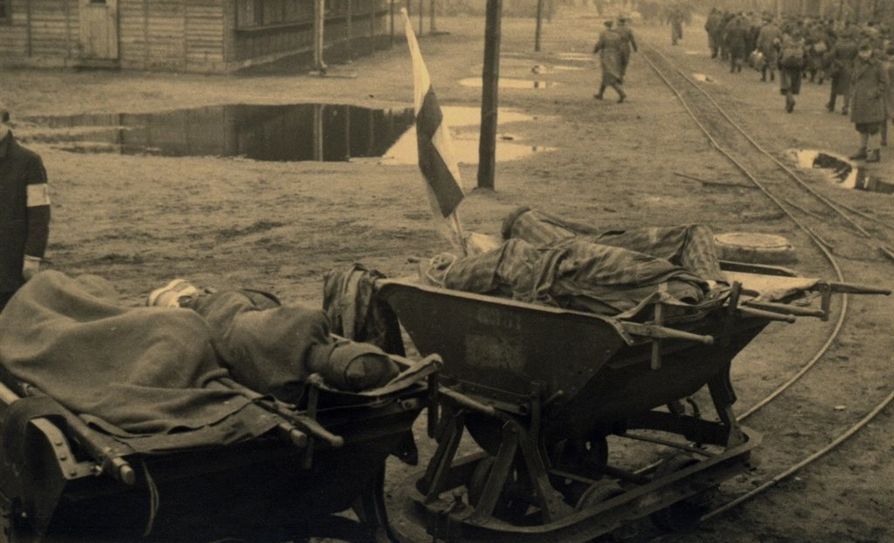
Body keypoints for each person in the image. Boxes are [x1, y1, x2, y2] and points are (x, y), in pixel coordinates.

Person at [0, 102, 51, 312]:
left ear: (3, 122)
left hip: (11, 262)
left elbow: (40, 214)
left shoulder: (29, 161)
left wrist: (32, 257)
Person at [848, 43, 887, 163]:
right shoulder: (857, 63)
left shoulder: (878, 64)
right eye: (861, 51)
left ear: (871, 51)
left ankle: (876, 152)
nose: (864, 54)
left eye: (866, 51)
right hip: (859, 99)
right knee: (861, 126)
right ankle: (862, 150)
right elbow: (853, 79)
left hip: (872, 101)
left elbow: (884, 82)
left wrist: (875, 93)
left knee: (873, 127)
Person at [593, 20, 627, 103]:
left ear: (606, 26)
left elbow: (600, 44)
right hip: (616, 56)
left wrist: (595, 50)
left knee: (609, 76)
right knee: (607, 75)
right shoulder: (618, 35)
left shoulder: (603, 34)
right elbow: (622, 47)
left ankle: (621, 93)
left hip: (607, 56)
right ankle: (600, 94)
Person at [827, 28, 858, 114]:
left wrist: (837, 62)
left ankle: (831, 105)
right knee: (847, 88)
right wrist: (852, 64)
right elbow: (857, 57)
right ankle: (845, 107)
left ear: (842, 37)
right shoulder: (854, 45)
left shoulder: (838, 45)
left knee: (834, 87)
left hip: (838, 67)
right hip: (849, 67)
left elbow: (831, 56)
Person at [779, 31, 806, 113]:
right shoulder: (802, 44)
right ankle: (788, 104)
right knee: (793, 84)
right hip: (797, 66)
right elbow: (805, 55)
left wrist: (779, 61)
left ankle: (790, 100)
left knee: (787, 85)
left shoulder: (786, 43)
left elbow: (780, 53)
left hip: (786, 66)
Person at [757, 16, 782, 82]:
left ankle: (764, 77)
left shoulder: (763, 29)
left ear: (767, 21)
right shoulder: (777, 29)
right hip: (773, 47)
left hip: (764, 47)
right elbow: (781, 37)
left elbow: (760, 39)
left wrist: (758, 46)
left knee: (763, 61)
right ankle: (772, 73)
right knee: (772, 61)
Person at [616, 16, 638, 82]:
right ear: (624, 22)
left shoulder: (615, 30)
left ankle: (618, 75)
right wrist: (635, 48)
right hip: (626, 47)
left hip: (617, 47)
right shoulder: (629, 30)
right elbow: (632, 40)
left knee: (617, 61)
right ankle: (621, 75)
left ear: (619, 22)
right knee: (625, 62)